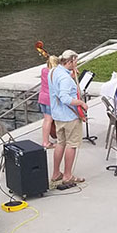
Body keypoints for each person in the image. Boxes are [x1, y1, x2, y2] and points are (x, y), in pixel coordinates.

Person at [49, 50, 89, 186]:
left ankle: (55, 173)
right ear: (70, 61)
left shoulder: (53, 71)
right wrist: (81, 103)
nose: (76, 63)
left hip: (57, 115)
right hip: (69, 116)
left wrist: (71, 75)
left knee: (60, 143)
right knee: (71, 145)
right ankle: (67, 175)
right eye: (75, 61)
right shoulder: (65, 79)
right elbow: (65, 97)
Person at [38, 55, 59, 148]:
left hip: (42, 98)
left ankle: (45, 141)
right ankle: (51, 141)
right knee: (53, 120)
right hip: (50, 100)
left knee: (46, 120)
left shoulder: (43, 70)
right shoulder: (54, 73)